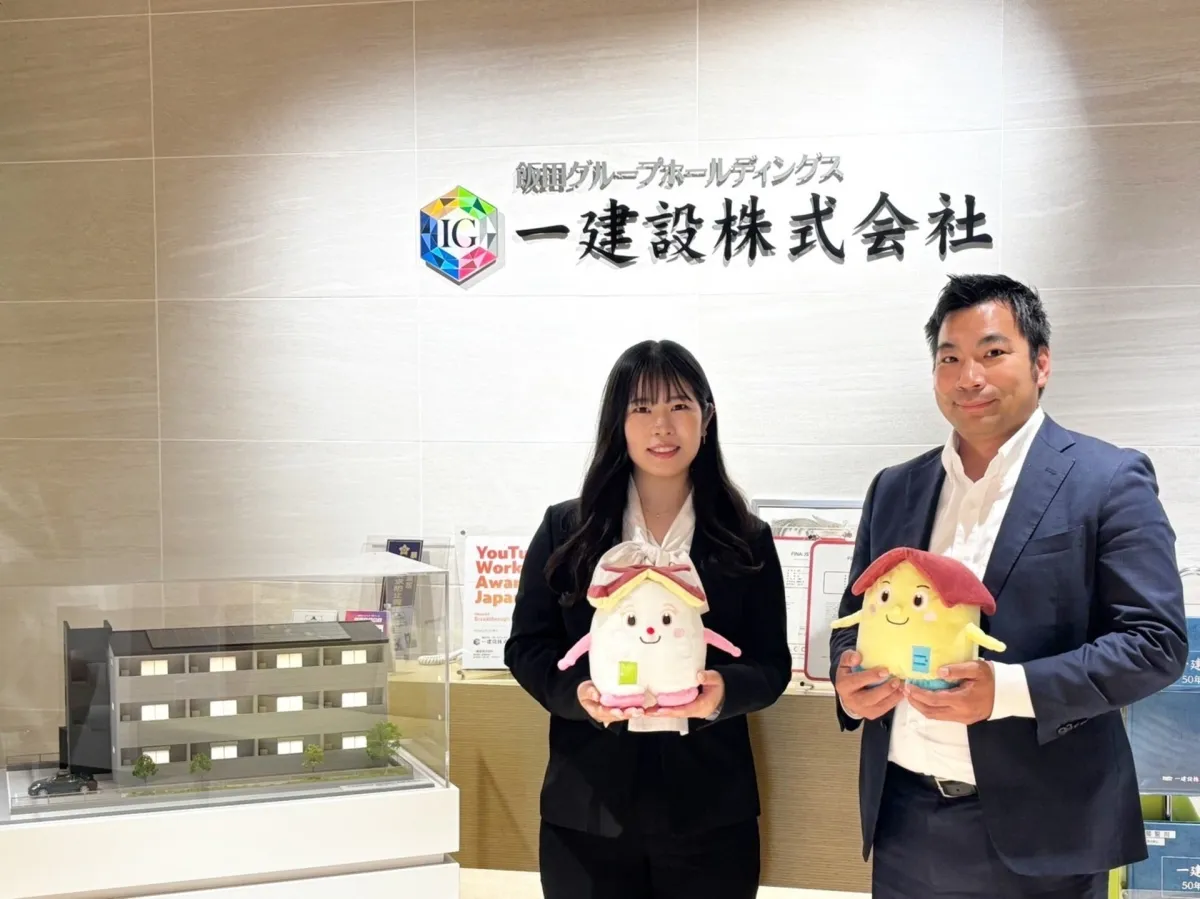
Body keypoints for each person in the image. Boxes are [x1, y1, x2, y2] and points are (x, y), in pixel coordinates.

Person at [829, 274, 1188, 899]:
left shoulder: (1107, 479)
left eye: (992, 352)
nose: (969, 377)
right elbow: (853, 621)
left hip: (1046, 833)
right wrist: (849, 681)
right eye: (950, 358)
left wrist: (1008, 690)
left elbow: (1154, 643)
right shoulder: (894, 488)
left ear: (1041, 363)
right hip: (904, 823)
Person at [504, 339, 791, 899]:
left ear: (706, 417)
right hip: (587, 811)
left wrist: (723, 692)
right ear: (619, 422)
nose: (662, 426)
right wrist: (576, 694)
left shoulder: (744, 537)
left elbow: (770, 664)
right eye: (642, 408)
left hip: (712, 811)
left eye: (680, 405)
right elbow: (527, 646)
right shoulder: (567, 529)